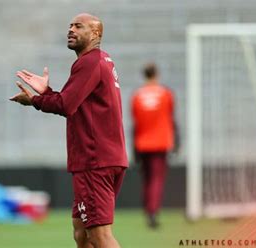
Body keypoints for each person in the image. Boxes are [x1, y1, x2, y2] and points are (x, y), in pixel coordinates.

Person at [10, 13, 128, 248]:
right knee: (81, 233)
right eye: (70, 26)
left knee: (99, 235)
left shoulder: (89, 62)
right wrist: (45, 93)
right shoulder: (102, 61)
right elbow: (70, 101)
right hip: (106, 157)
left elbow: (65, 105)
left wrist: (34, 100)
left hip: (94, 161)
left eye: (78, 26)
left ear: (95, 34)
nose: (71, 29)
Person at [131, 63, 179, 229]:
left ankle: (147, 208)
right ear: (156, 74)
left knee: (146, 178)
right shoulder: (166, 94)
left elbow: (135, 123)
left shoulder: (137, 95)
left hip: (142, 143)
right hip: (160, 142)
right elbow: (172, 119)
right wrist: (177, 142)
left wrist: (134, 148)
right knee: (157, 179)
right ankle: (152, 211)